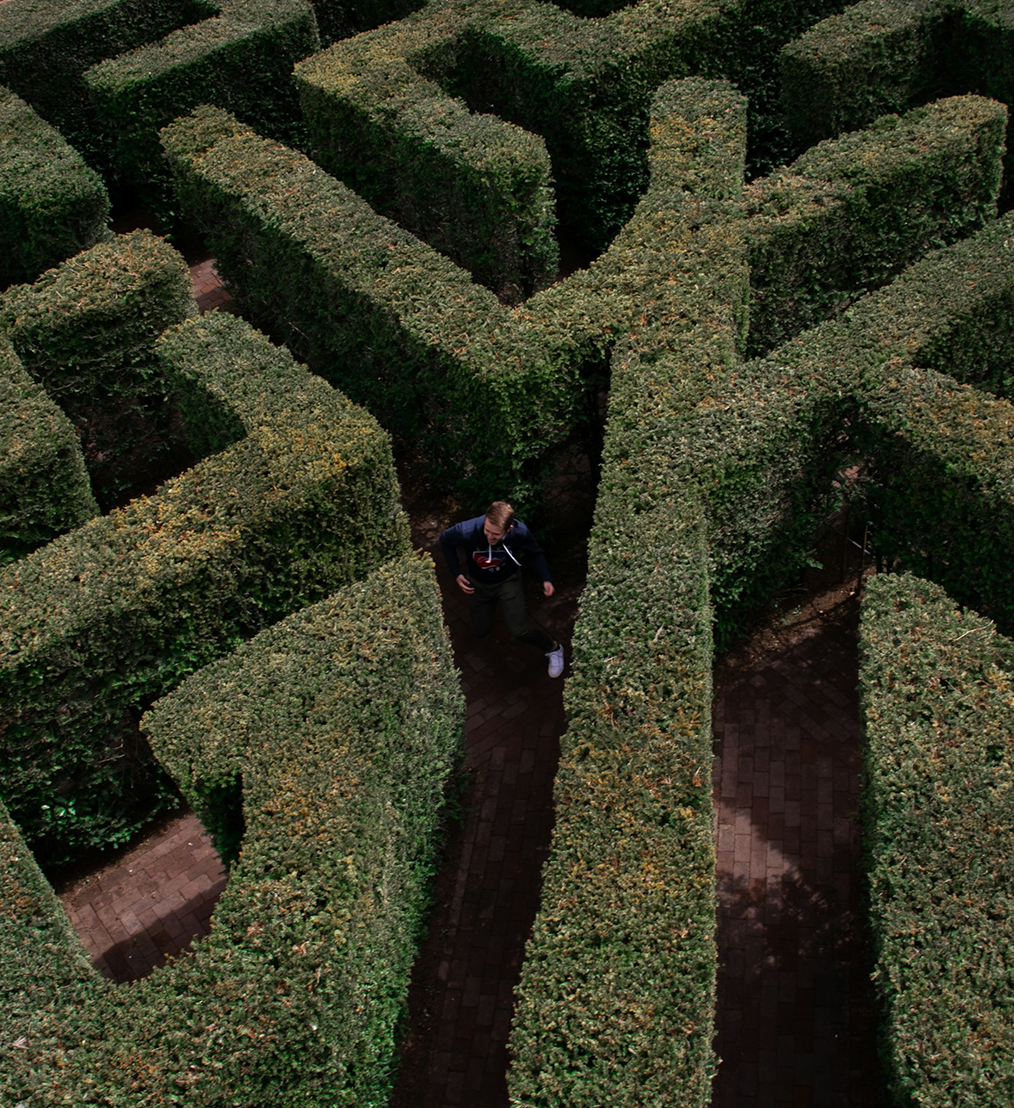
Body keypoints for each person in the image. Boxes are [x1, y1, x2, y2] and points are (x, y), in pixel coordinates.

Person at [439, 501, 565, 678]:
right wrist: (455, 572)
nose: (490, 537)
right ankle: (493, 607)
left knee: (519, 630)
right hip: (478, 583)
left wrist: (546, 578)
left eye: (496, 535)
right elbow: (445, 540)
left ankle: (553, 647)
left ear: (509, 529)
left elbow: (534, 553)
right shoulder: (467, 530)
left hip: (508, 581)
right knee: (480, 631)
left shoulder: (520, 532)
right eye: (487, 531)